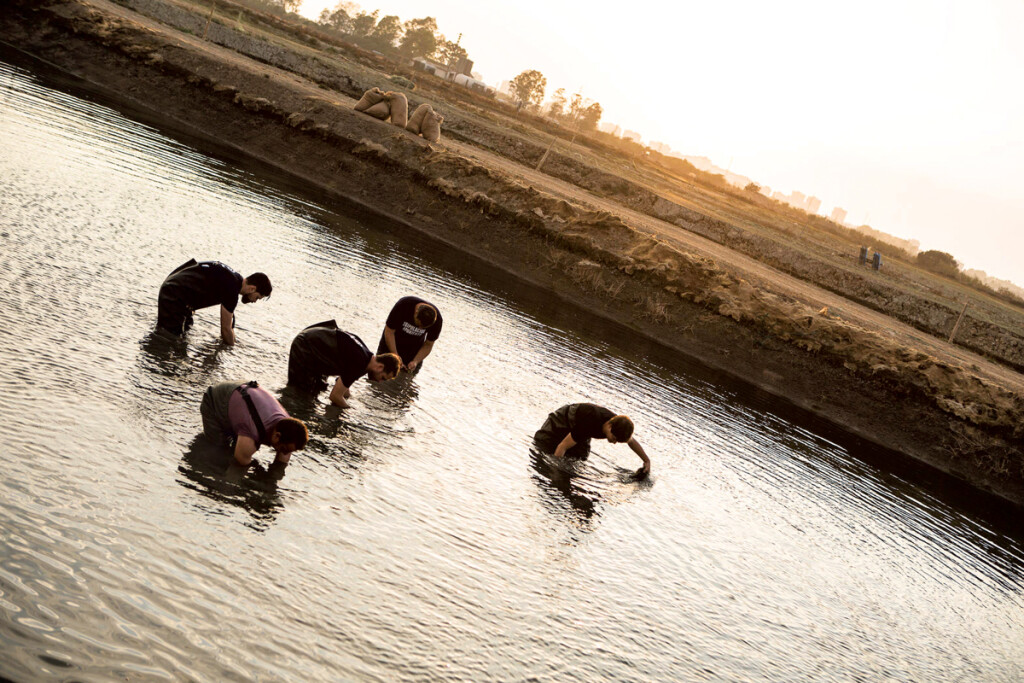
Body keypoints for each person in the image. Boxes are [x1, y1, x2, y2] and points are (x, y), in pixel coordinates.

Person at [288, 320, 401, 408]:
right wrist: (348, 412)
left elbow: (344, 385)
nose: (379, 381)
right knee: (301, 394)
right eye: (383, 378)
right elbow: (335, 396)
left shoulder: (366, 356)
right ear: (380, 367)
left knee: (317, 389)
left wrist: (348, 398)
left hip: (313, 340)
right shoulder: (359, 364)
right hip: (304, 346)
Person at [157, 259, 272, 344]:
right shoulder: (232, 288)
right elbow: (226, 329)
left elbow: (229, 326)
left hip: (174, 287)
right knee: (171, 338)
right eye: (257, 297)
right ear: (252, 288)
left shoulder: (234, 280)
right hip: (174, 293)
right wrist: (232, 349)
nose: (254, 301)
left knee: (185, 332)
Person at [200, 380, 308, 469]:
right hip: (215, 400)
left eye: (289, 451)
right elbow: (236, 472)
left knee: (235, 447)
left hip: (242, 397)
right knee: (218, 452)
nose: (285, 453)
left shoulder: (289, 430)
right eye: (284, 449)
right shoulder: (251, 435)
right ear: (277, 436)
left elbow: (280, 465)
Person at [534, 403, 651, 477]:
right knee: (543, 445)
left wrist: (646, 460)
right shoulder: (589, 423)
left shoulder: (619, 426)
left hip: (582, 429)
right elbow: (562, 447)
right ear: (609, 427)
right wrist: (555, 472)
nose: (615, 443)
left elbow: (631, 442)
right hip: (563, 420)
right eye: (614, 439)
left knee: (579, 459)